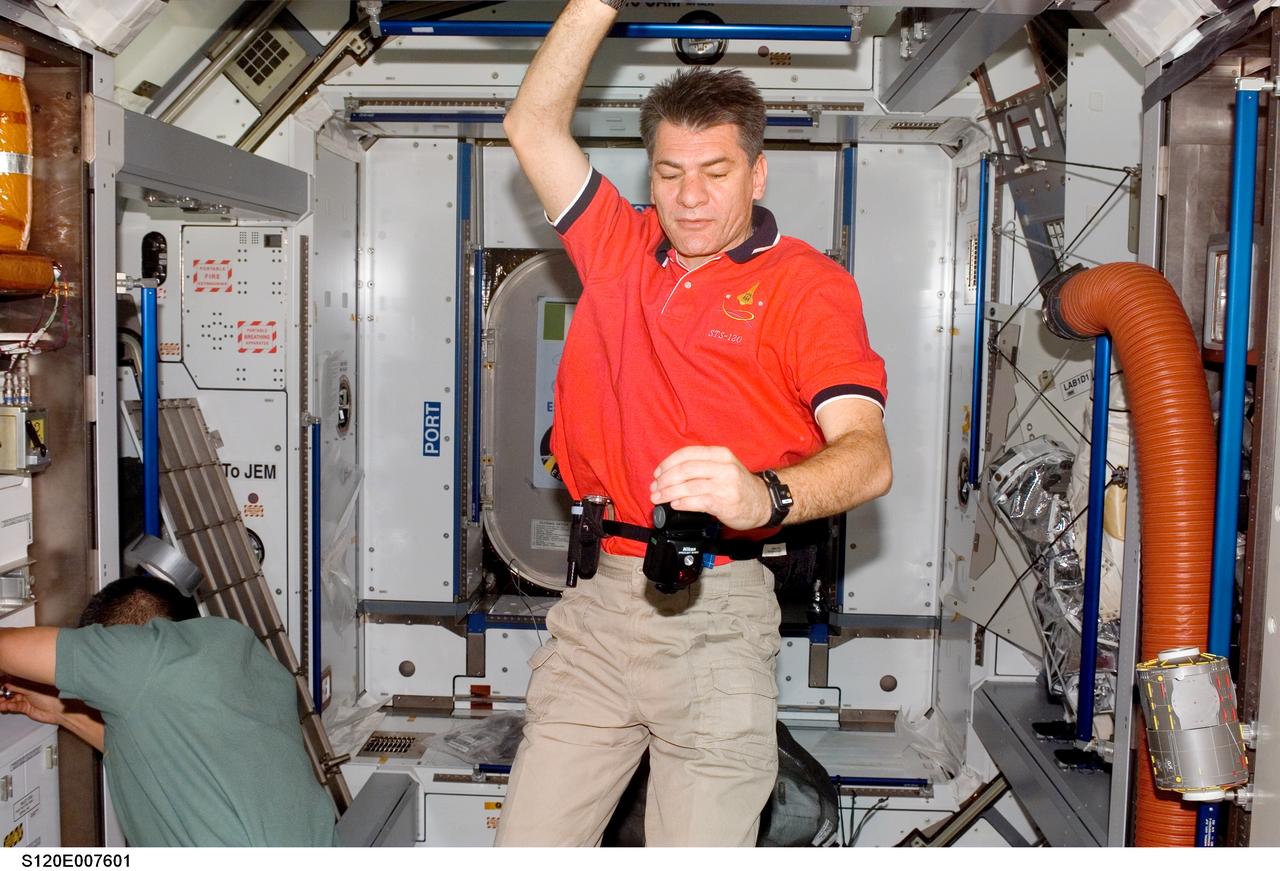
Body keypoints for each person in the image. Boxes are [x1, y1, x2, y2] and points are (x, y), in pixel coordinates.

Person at [494, 0, 892, 848]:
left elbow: (866, 454)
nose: (690, 196)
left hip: (716, 613)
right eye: (670, 172)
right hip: (600, 604)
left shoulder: (805, 287)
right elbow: (532, 123)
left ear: (757, 174)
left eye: (715, 170)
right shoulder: (619, 246)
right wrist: (594, 5)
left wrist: (767, 492)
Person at [0, 576, 338, 847]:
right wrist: (62, 712)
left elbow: (7, 647)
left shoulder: (139, 659)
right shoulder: (239, 650)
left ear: (113, 642)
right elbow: (168, 754)